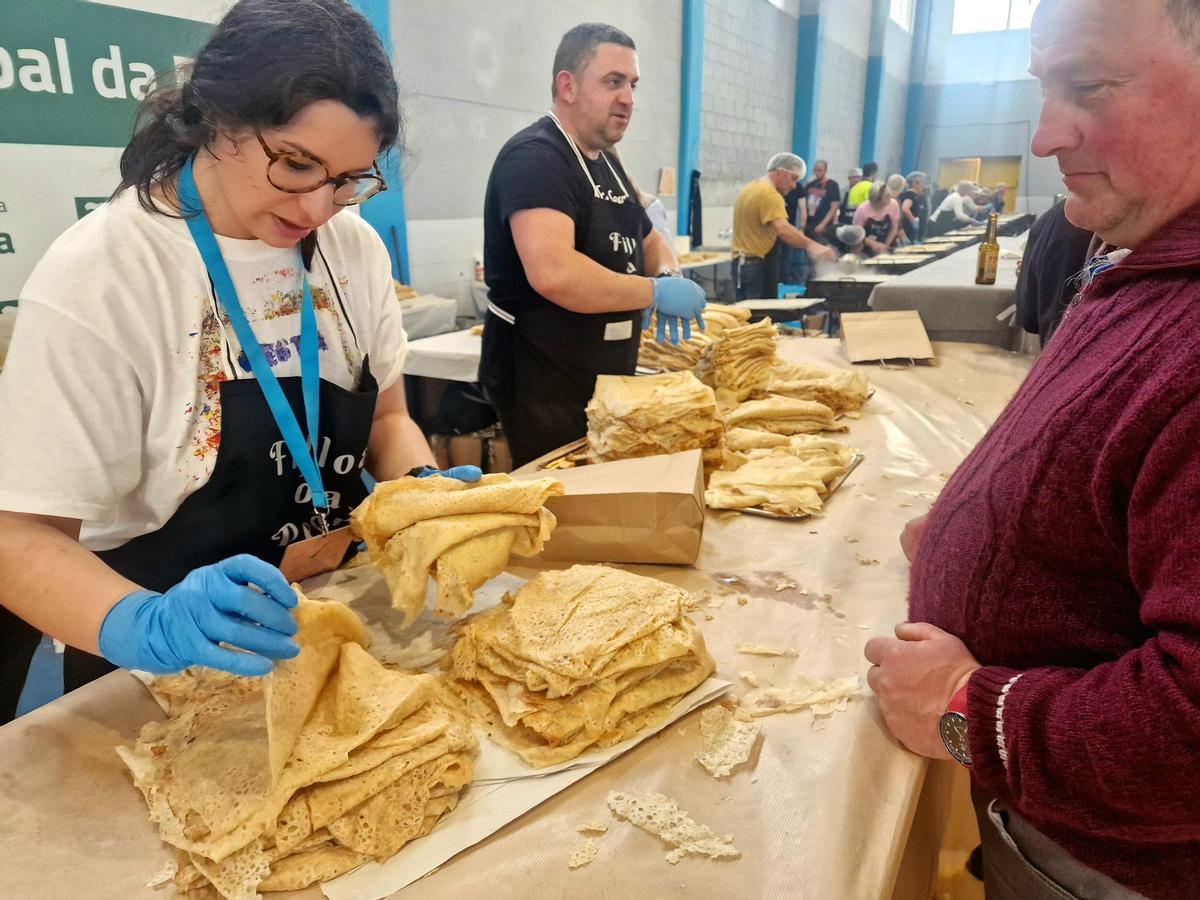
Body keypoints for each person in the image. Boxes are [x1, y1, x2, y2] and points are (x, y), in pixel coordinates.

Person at [0, 0, 481, 724]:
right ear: (215, 118)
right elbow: (18, 539)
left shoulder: (354, 253)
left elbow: (385, 414)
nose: (321, 206)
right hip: (158, 668)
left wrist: (422, 496)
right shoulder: (106, 275)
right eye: (295, 164)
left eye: (349, 178)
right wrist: (149, 624)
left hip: (328, 621)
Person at [865, 0, 1200, 896]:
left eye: (1086, 85)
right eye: (1043, 90)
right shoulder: (1148, 250)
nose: (1045, 136)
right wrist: (988, 527)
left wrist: (969, 710)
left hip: (1114, 865)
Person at [480, 23, 705, 468]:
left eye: (633, 84)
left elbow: (650, 238)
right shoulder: (537, 158)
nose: (628, 98)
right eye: (613, 82)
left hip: (601, 374)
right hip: (543, 381)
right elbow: (555, 272)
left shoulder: (607, 162)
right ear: (568, 85)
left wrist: (667, 274)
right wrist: (652, 293)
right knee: (567, 511)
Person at [730, 152, 836, 300]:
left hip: (741, 265)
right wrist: (814, 246)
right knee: (760, 318)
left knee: (746, 315)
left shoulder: (751, 188)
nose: (794, 186)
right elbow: (783, 230)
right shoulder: (770, 195)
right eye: (793, 179)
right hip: (755, 268)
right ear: (780, 172)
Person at [1015, 198, 1093, 343]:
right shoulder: (1079, 225)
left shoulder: (1056, 215)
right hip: (1060, 343)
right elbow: (1057, 322)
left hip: (1049, 335)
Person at [852, 181, 900, 255]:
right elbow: (856, 235)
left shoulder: (893, 204)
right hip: (867, 249)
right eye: (887, 196)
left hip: (887, 245)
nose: (890, 198)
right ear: (876, 199)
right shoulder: (862, 210)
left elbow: (894, 227)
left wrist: (885, 246)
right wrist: (873, 244)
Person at [803, 159, 841, 243]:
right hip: (809, 222)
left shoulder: (832, 185)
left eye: (819, 170)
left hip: (822, 223)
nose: (817, 173)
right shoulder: (810, 184)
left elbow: (834, 207)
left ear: (825, 170)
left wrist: (823, 224)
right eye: (815, 170)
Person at [898, 171, 929, 244]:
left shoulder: (914, 196)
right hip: (909, 231)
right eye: (923, 182)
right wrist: (914, 222)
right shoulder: (911, 195)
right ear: (915, 183)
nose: (924, 185)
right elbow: (905, 208)